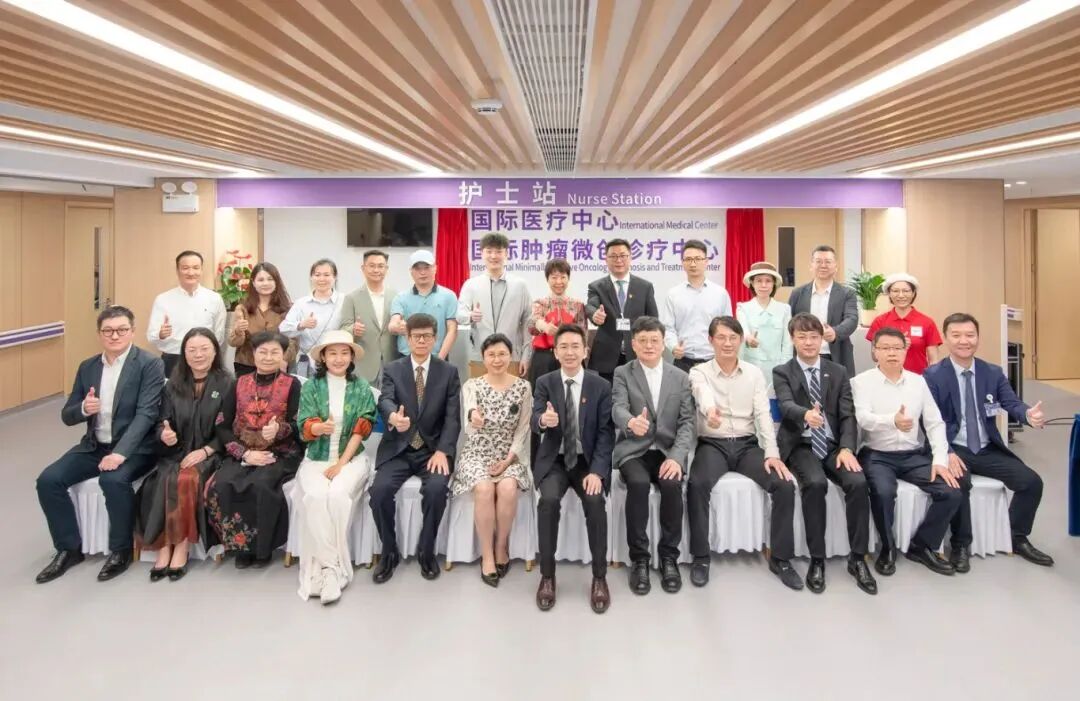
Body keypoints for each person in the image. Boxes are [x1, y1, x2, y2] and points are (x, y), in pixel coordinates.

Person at [35, 306, 165, 583]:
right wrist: (83, 408)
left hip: (137, 448)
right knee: (48, 480)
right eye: (108, 331)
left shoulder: (149, 364)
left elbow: (146, 414)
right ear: (99, 334)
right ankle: (69, 549)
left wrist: (120, 453)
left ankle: (121, 550)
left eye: (121, 330)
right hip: (94, 446)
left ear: (132, 331)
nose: (114, 336)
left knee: (112, 480)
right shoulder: (88, 367)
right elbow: (67, 415)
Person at [924, 312, 1053, 568]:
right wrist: (946, 452)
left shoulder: (992, 372)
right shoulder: (933, 375)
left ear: (978, 338)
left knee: (1031, 482)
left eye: (970, 335)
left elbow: (1011, 403)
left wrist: (1028, 415)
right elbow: (928, 421)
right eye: (956, 335)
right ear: (946, 339)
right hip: (955, 447)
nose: (964, 341)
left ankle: (1016, 536)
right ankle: (960, 545)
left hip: (985, 448)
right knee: (959, 483)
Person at [687, 316, 801, 590]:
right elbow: (702, 394)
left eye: (733, 338)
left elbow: (763, 414)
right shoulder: (698, 371)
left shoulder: (754, 373)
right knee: (697, 484)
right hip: (712, 443)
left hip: (747, 445)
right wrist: (710, 411)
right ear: (711, 340)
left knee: (784, 485)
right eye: (721, 337)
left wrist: (771, 453)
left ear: (740, 340)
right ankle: (701, 557)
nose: (727, 343)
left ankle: (781, 559)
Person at [772, 313, 876, 595]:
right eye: (802, 337)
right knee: (815, 484)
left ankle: (858, 559)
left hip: (833, 445)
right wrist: (805, 414)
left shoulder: (838, 371)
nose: (808, 342)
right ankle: (817, 559)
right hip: (801, 443)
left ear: (822, 339)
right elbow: (785, 405)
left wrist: (847, 448)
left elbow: (847, 414)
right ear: (792, 339)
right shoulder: (783, 371)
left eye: (814, 337)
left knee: (858, 482)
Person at [851, 327, 966, 577]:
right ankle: (888, 548)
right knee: (883, 493)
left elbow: (935, 423)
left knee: (952, 492)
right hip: (877, 454)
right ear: (875, 352)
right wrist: (892, 421)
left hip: (913, 455)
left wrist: (939, 460)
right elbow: (863, 419)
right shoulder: (861, 382)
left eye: (897, 348)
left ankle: (921, 546)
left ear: (905, 351)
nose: (892, 353)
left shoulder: (918, 381)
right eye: (885, 348)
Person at [370, 313, 462, 583]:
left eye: (427, 336)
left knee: (436, 490)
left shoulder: (448, 372)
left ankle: (426, 549)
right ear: (407, 339)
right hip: (398, 449)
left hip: (433, 451)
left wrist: (443, 451)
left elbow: (452, 417)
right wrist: (392, 416)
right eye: (416, 336)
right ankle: (389, 552)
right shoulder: (393, 369)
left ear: (435, 339)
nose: (422, 341)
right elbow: (385, 399)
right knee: (379, 493)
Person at [137, 327, 232, 582]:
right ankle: (164, 546)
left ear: (215, 352)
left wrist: (206, 450)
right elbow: (162, 422)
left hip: (213, 453)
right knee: (163, 478)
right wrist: (164, 434)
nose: (198, 355)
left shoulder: (227, 384)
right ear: (184, 353)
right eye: (192, 350)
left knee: (188, 479)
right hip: (176, 451)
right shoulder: (172, 385)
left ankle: (181, 545)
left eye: (204, 349)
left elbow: (230, 428)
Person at [532, 323, 614, 613]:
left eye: (575, 346)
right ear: (555, 352)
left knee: (595, 502)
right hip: (555, 460)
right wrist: (543, 421)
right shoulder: (545, 382)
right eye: (563, 347)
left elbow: (606, 433)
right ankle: (547, 576)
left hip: (586, 462)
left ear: (585, 351)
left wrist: (598, 472)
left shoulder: (600, 385)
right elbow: (534, 418)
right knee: (548, 502)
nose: (569, 352)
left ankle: (600, 577)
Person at [612, 316, 696, 595]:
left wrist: (677, 457)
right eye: (643, 340)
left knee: (671, 485)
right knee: (637, 484)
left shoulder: (680, 377)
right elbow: (618, 407)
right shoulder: (623, 372)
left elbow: (687, 422)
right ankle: (640, 559)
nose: (649, 345)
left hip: (667, 451)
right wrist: (629, 422)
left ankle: (669, 557)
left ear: (663, 344)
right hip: (634, 450)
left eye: (654, 340)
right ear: (633, 344)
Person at [206, 331, 303, 568]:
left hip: (279, 453)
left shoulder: (293, 384)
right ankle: (239, 548)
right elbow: (222, 424)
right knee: (224, 483)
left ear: (283, 355)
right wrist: (245, 454)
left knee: (261, 485)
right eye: (263, 352)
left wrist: (279, 430)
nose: (268, 357)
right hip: (243, 452)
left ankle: (262, 549)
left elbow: (299, 423)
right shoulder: (238, 383)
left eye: (274, 352)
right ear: (253, 354)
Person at [296, 330, 378, 604]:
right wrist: (318, 428)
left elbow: (361, 429)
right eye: (332, 353)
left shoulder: (361, 387)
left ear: (352, 357)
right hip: (316, 458)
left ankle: (329, 571)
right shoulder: (311, 387)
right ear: (322, 357)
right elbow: (304, 425)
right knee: (316, 497)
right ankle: (332, 569)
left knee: (338, 496)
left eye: (344, 353)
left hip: (351, 459)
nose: (339, 358)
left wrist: (341, 464)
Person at [450, 334, 533, 587]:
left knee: (507, 488)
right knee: (485, 488)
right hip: (477, 453)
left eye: (502, 354)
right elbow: (470, 420)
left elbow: (523, 429)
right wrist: (473, 416)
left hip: (510, 455)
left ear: (511, 356)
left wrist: (508, 460)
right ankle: (487, 555)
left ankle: (501, 547)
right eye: (491, 355)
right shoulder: (472, 385)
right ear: (483, 358)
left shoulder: (523, 387)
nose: (497, 360)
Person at [456, 233, 533, 379]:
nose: (494, 256)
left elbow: (528, 322)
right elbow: (459, 314)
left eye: (498, 251)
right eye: (489, 251)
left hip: (512, 356)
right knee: (480, 393)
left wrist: (526, 355)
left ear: (506, 254)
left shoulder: (520, 285)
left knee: (512, 394)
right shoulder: (471, 285)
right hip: (480, 357)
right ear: (482, 253)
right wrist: (470, 316)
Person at [586, 238, 658, 384]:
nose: (618, 260)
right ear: (606, 259)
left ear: (630, 257)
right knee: (608, 395)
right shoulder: (597, 287)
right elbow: (591, 306)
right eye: (613, 256)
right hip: (607, 355)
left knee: (637, 395)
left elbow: (653, 320)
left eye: (623, 255)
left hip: (637, 353)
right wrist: (595, 315)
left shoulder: (645, 287)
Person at [147, 250, 226, 377]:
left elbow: (219, 334)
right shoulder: (163, 299)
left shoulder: (214, 298)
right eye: (185, 268)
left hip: (205, 359)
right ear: (177, 270)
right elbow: (151, 335)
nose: (191, 272)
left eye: (196, 268)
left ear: (201, 270)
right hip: (174, 359)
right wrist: (161, 334)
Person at [660, 239, 732, 373]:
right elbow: (668, 328)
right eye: (688, 259)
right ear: (682, 262)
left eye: (698, 259)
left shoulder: (720, 294)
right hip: (683, 362)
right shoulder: (673, 294)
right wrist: (674, 346)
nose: (693, 264)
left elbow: (728, 328)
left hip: (714, 361)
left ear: (706, 261)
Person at [787, 245, 858, 376]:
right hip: (803, 357)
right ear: (811, 265)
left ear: (836, 266)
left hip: (835, 356)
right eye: (818, 261)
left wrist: (835, 332)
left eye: (828, 261)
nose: (823, 265)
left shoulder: (847, 293)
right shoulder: (798, 293)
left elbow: (852, 319)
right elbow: (789, 321)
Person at [523, 258, 587, 385]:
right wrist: (544, 326)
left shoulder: (578, 305)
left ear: (568, 279)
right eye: (554, 277)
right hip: (544, 359)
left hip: (571, 357)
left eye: (563, 277)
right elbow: (532, 323)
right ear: (547, 279)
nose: (558, 282)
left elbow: (583, 334)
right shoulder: (540, 303)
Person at [338, 250, 399, 384]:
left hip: (392, 361)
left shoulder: (396, 296)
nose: (376, 270)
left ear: (386, 269)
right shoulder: (351, 298)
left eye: (380, 266)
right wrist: (353, 329)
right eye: (372, 266)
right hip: (364, 364)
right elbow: (343, 329)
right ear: (363, 268)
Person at [387, 250, 458, 362]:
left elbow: (452, 330)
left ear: (435, 268)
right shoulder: (400, 297)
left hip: (437, 356)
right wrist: (396, 327)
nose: (423, 272)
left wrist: (440, 359)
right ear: (411, 271)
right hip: (406, 358)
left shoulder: (449, 296)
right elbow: (393, 323)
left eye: (427, 267)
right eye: (418, 269)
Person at [228, 261, 296, 376]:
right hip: (247, 365)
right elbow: (233, 342)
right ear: (253, 283)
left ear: (276, 282)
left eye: (270, 279)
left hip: (277, 365)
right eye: (260, 280)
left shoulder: (289, 309)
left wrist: (284, 359)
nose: (265, 283)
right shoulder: (242, 308)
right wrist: (238, 331)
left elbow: (293, 340)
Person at [865, 273, 942, 375]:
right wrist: (895, 345)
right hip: (886, 378)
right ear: (889, 294)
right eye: (895, 291)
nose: (901, 295)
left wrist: (931, 380)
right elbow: (874, 357)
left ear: (913, 293)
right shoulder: (880, 321)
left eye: (906, 291)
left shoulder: (927, 322)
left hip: (918, 379)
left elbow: (934, 361)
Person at [737, 261, 792, 400]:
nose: (763, 285)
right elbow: (743, 331)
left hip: (777, 370)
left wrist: (784, 371)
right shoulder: (743, 308)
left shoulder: (784, 309)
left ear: (774, 284)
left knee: (776, 408)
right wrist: (748, 338)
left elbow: (788, 344)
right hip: (751, 369)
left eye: (768, 281)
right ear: (752, 283)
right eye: (759, 281)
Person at [281, 258, 343, 376]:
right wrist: (301, 325)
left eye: (326, 275)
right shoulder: (301, 303)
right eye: (317, 275)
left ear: (335, 277)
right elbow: (283, 329)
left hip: (337, 362)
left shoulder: (344, 301)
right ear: (311, 277)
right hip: (308, 363)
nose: (321, 279)